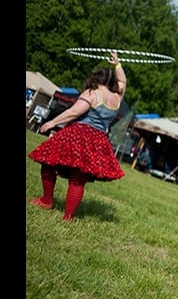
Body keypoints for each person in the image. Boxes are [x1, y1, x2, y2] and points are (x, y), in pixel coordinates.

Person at [28, 52, 126, 221]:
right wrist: (117, 64)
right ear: (111, 82)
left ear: (96, 78)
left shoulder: (92, 93)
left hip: (79, 134)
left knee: (47, 162)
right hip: (99, 140)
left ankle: (46, 201)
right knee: (78, 178)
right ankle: (68, 216)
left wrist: (52, 123)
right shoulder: (117, 97)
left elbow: (74, 112)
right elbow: (123, 81)